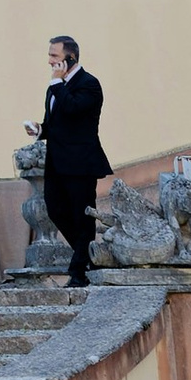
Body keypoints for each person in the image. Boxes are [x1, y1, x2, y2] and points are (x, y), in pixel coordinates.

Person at [29, 35, 110, 285]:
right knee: (55, 209)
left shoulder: (89, 84)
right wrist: (40, 130)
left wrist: (57, 85)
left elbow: (75, 110)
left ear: (70, 57)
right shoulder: (56, 87)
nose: (50, 60)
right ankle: (86, 256)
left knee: (81, 215)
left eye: (54, 55)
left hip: (80, 163)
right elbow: (58, 123)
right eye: (49, 55)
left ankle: (79, 271)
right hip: (56, 162)